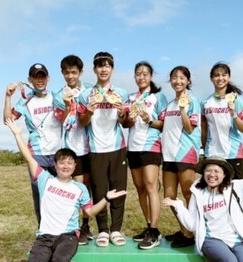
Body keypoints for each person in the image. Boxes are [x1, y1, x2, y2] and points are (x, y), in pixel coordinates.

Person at [0, 118, 127, 262]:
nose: (66, 166)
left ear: (74, 166)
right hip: (45, 236)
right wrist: (16, 134)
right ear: (55, 165)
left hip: (68, 237)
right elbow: (28, 156)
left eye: (70, 163)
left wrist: (106, 199)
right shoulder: (44, 179)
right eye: (62, 162)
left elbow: (89, 212)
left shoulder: (80, 189)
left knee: (59, 260)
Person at [77, 51, 129, 247]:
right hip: (96, 148)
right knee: (99, 190)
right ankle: (102, 231)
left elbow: (125, 123)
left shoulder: (121, 93)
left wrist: (122, 112)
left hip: (117, 148)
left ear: (112, 69)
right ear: (94, 69)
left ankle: (116, 229)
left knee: (119, 189)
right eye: (100, 66)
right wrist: (89, 110)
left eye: (107, 65)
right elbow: (81, 122)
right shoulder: (85, 94)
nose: (103, 69)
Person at [3, 63, 62, 224]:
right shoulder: (26, 101)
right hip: (37, 155)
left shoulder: (57, 97)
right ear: (30, 79)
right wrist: (8, 96)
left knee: (59, 193)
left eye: (43, 76)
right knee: (40, 194)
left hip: (58, 154)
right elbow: (8, 120)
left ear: (48, 79)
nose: (40, 80)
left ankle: (62, 230)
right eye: (36, 77)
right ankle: (43, 231)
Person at [121, 61, 167, 250]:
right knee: (140, 188)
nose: (141, 77)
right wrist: (129, 119)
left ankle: (155, 231)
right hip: (133, 147)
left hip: (151, 146)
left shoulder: (158, 97)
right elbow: (124, 124)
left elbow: (164, 124)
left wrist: (150, 120)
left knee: (150, 186)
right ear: (134, 77)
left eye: (145, 74)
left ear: (151, 76)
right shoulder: (130, 98)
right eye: (138, 74)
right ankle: (149, 226)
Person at [53, 55, 94, 245]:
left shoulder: (88, 91)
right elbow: (61, 121)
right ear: (62, 73)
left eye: (74, 72)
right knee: (75, 187)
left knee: (88, 187)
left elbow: (88, 119)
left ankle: (86, 225)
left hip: (90, 146)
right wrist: (68, 105)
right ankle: (74, 226)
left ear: (81, 72)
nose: (70, 76)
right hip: (70, 148)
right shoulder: (58, 95)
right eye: (67, 72)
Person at [159, 66, 201, 248]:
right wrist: (146, 119)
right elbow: (162, 125)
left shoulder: (193, 101)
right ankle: (185, 229)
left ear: (188, 81)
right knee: (169, 196)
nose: (178, 81)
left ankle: (193, 232)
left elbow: (190, 128)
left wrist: (183, 109)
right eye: (174, 78)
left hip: (185, 153)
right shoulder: (169, 105)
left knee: (187, 193)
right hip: (168, 155)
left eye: (182, 78)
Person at [201, 62, 243, 179]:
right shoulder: (205, 103)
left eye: (224, 75)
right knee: (214, 191)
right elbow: (204, 130)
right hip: (212, 153)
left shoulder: (237, 100)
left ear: (229, 77)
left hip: (233, 154)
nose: (220, 78)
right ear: (211, 79)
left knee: (236, 191)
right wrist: (205, 152)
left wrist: (234, 114)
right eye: (216, 75)